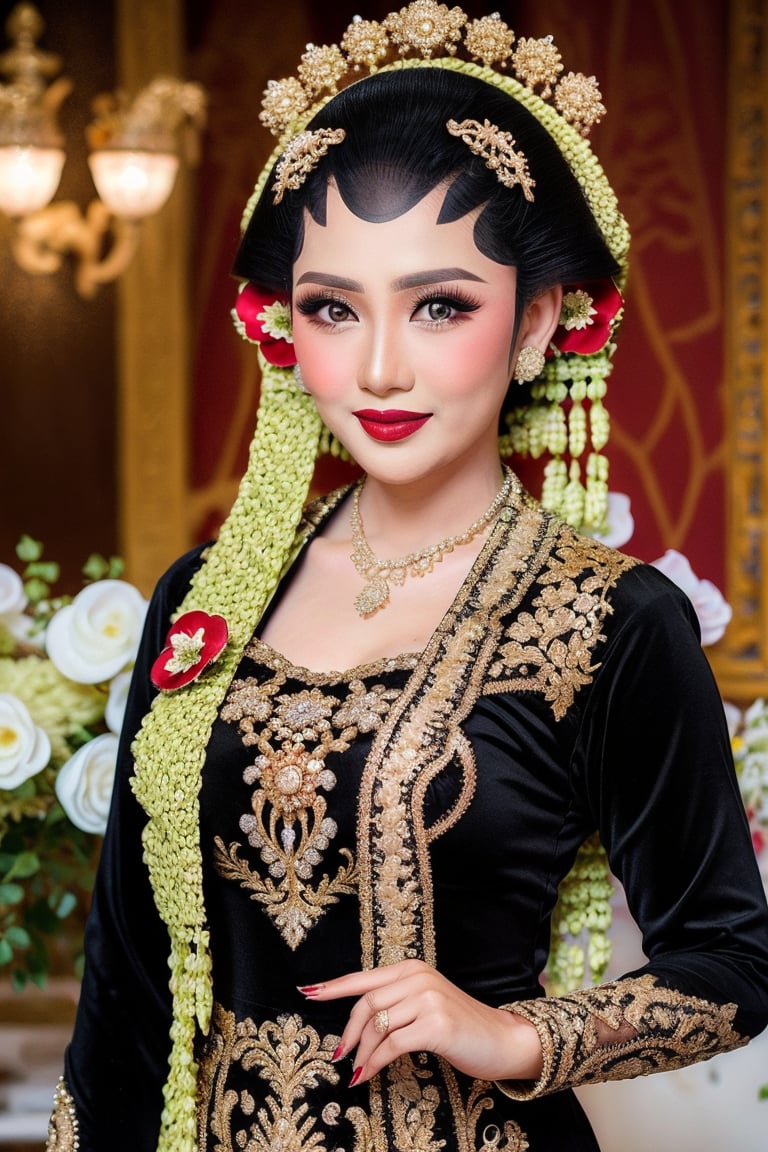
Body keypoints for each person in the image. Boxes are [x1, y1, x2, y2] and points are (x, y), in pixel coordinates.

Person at [48, 7, 768, 1152]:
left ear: (536, 323)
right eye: (335, 307)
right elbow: (128, 987)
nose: (381, 365)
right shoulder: (210, 597)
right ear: (285, 326)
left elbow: (734, 963)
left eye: (441, 306)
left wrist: (514, 1037)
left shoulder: (610, 623)